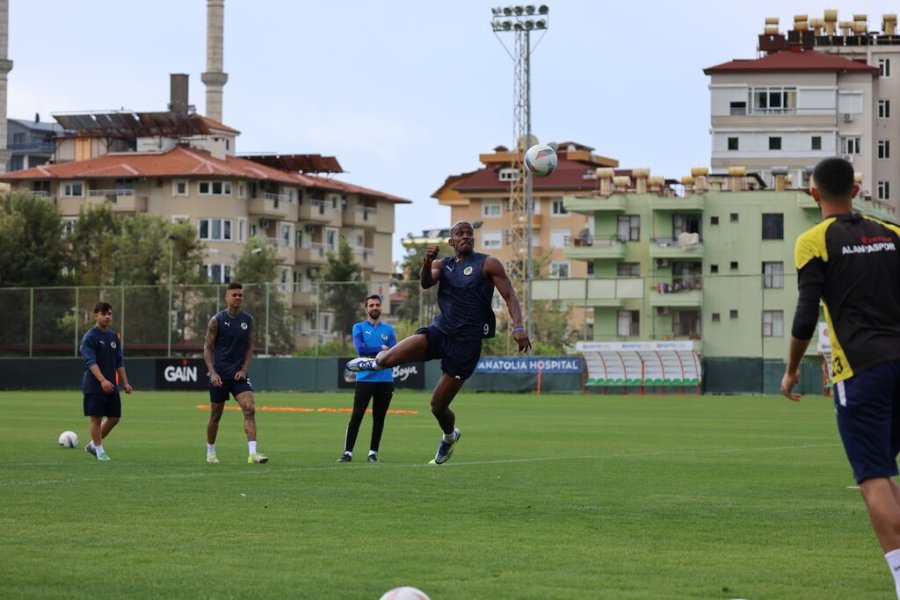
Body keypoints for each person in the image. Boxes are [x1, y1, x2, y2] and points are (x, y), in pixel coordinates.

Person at [780, 157, 900, 599]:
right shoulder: (892, 234)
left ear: (814, 193)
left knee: (872, 476)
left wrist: (792, 370)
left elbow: (806, 313)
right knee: (887, 474)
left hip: (861, 370)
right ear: (855, 189)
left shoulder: (813, 241)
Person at [347, 220, 531, 464]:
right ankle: (374, 364)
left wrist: (518, 326)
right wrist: (425, 261)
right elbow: (425, 283)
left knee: (437, 406)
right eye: (460, 233)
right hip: (440, 331)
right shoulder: (441, 265)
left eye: (469, 233)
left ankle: (449, 436)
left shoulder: (488, 263)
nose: (466, 236)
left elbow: (510, 295)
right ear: (451, 241)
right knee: (386, 358)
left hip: (466, 343)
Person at [203, 281, 268, 464]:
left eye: (240, 294)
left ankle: (253, 454)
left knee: (250, 408)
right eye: (234, 295)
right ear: (227, 297)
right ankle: (211, 452)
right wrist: (213, 373)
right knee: (216, 415)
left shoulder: (248, 320)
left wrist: (244, 369)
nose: (238, 297)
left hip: (238, 375)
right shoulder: (216, 320)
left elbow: (249, 347)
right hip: (220, 376)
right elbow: (207, 348)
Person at [338, 294, 397, 463]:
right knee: (356, 416)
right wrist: (381, 348)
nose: (375, 308)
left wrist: (383, 350)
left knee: (379, 418)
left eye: (377, 305)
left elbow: (394, 352)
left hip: (385, 380)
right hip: (365, 379)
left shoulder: (389, 330)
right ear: (366, 309)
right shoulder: (359, 327)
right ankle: (347, 453)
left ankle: (373, 453)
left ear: (381, 307)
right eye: (371, 305)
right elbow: (361, 350)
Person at [80, 301, 133, 462]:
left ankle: (92, 445)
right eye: (104, 314)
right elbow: (91, 362)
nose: (107, 316)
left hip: (111, 385)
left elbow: (119, 361)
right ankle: (100, 451)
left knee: (114, 418)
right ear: (95, 315)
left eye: (109, 313)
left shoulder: (113, 337)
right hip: (95, 384)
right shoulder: (90, 337)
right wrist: (102, 380)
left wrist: (125, 383)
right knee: (96, 418)